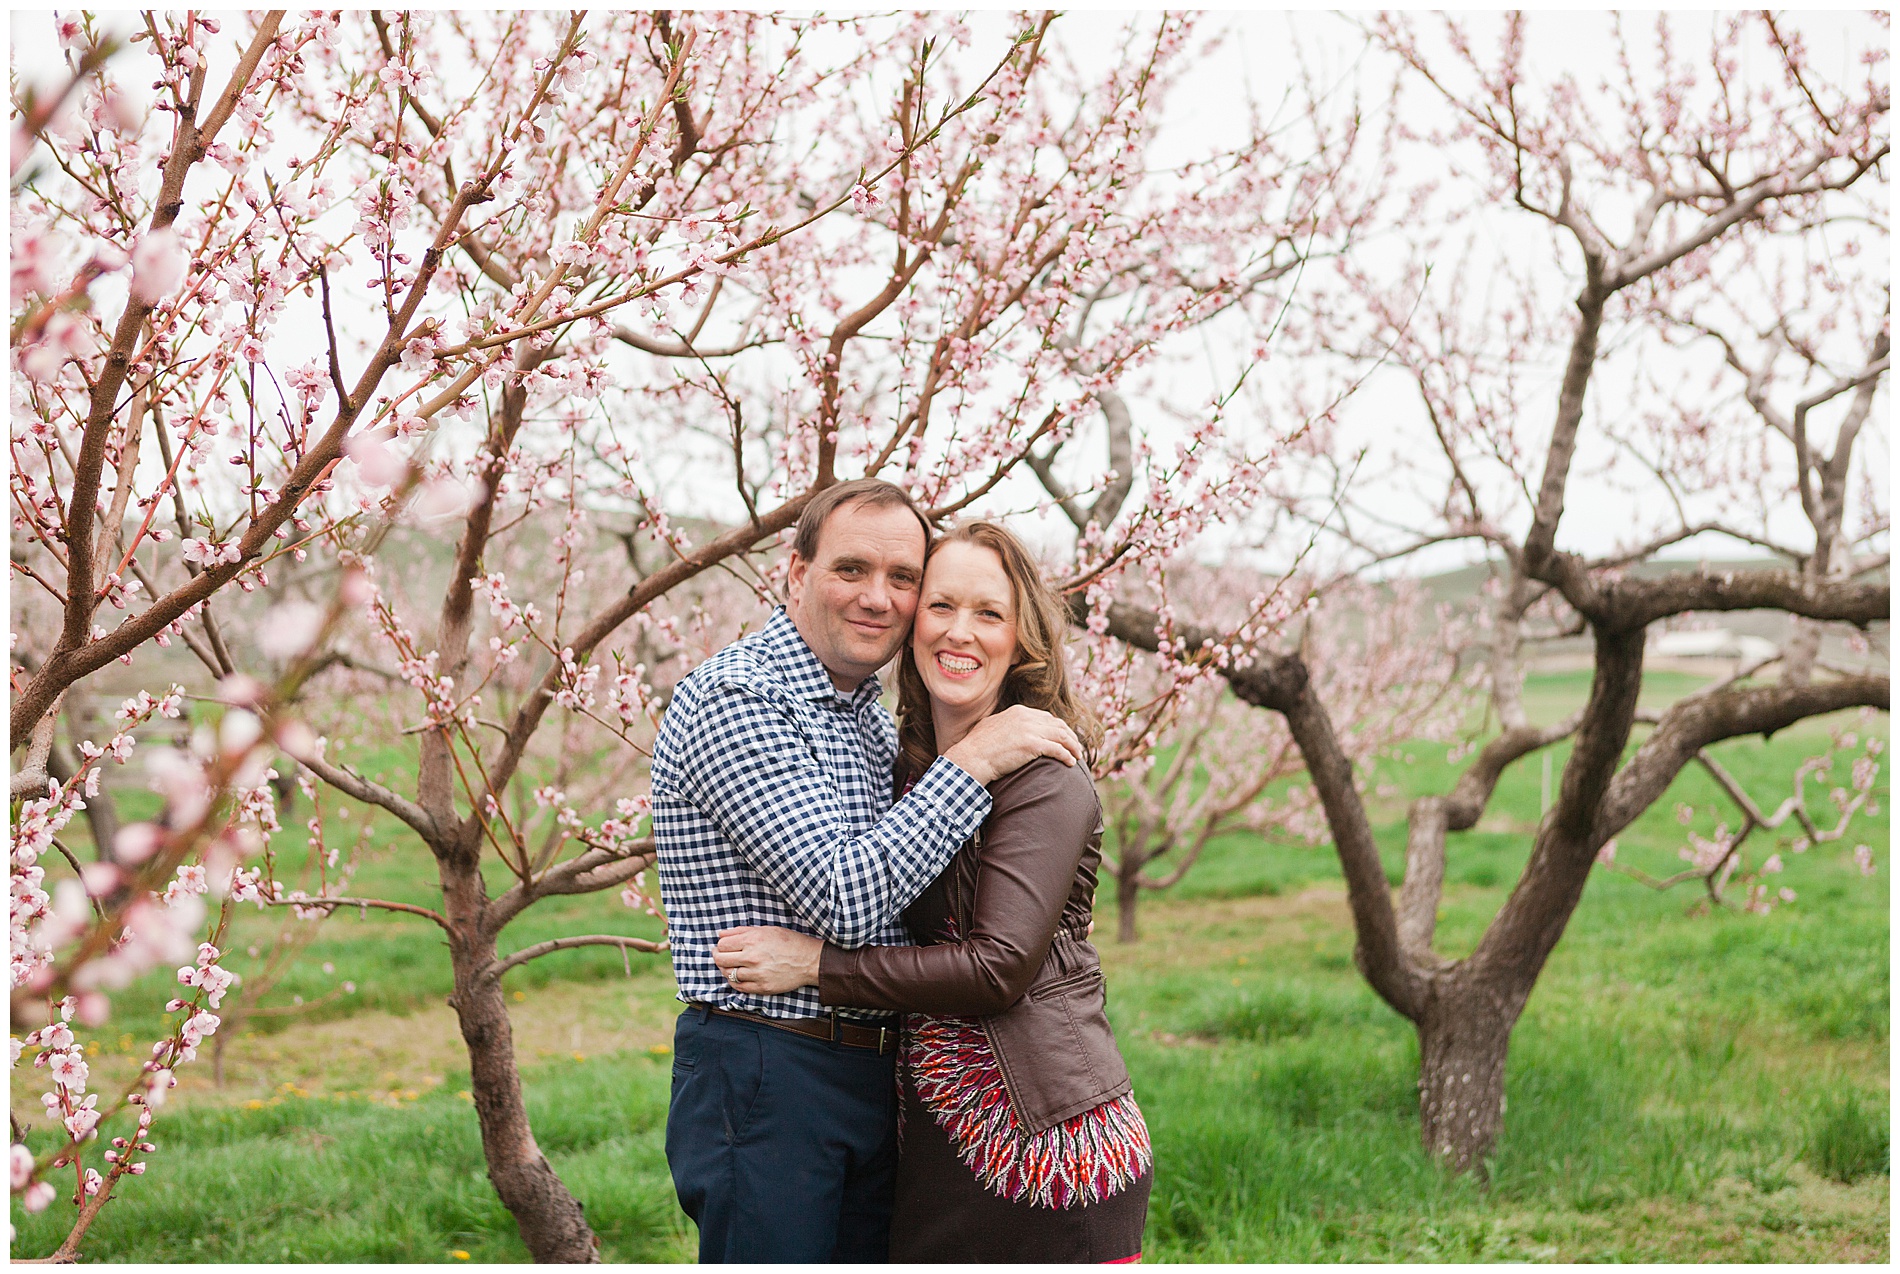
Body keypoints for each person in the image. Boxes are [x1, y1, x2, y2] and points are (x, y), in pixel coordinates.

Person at [649, 479, 1085, 1264]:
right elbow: (848, 900)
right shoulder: (740, 698)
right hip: (768, 1068)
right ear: (795, 571)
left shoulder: (864, 719)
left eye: (902, 578)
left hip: (871, 1073)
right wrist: (976, 757)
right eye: (851, 569)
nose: (878, 598)